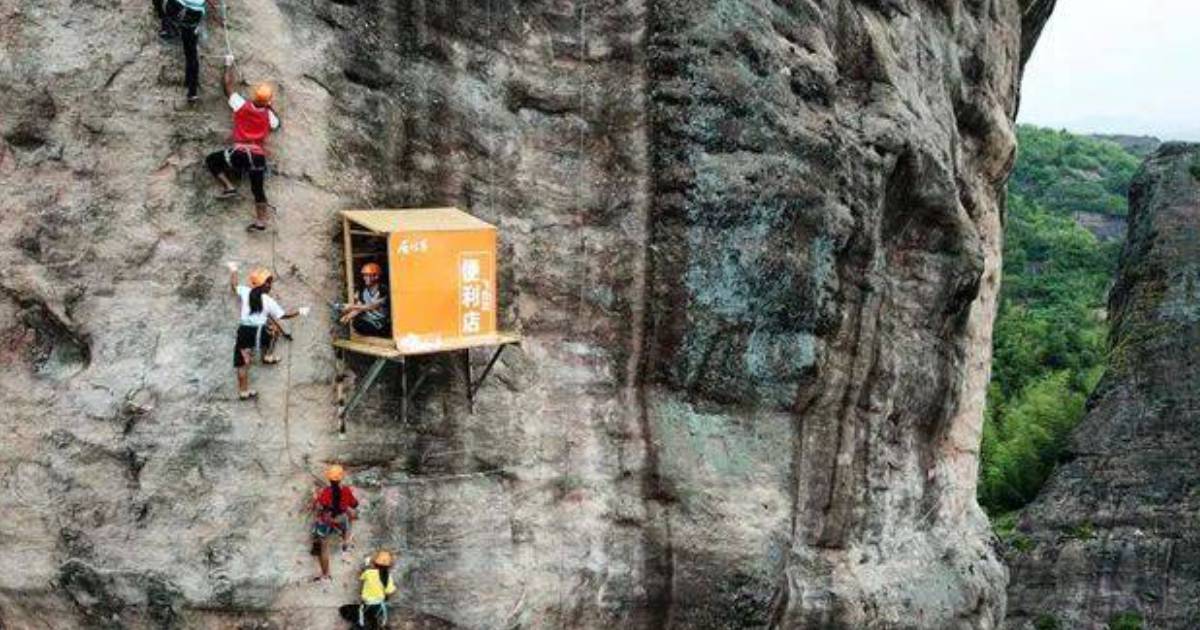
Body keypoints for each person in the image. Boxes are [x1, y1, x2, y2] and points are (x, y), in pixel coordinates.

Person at [206, 57, 281, 232]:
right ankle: (261, 221)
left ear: (254, 95)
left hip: (239, 154)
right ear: (269, 100)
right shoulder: (269, 115)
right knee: (257, 189)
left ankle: (229, 186)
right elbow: (276, 125)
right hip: (257, 157)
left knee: (211, 160)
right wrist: (269, 107)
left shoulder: (241, 105)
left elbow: (227, 86)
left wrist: (228, 65)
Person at [227, 262, 304, 400]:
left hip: (244, 331)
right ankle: (267, 356)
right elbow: (283, 316)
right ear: (264, 284)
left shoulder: (245, 292)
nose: (270, 286)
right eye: (269, 283)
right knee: (273, 329)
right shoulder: (268, 301)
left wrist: (233, 270)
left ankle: (243, 391)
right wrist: (300, 312)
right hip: (260, 333)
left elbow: (234, 286)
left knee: (242, 363)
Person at [155, 0, 221, 103]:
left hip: (178, 9)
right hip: (195, 15)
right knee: (191, 52)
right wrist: (216, 11)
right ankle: (192, 90)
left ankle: (168, 28)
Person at [311, 464, 359, 582]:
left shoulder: (326, 491)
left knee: (324, 548)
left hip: (326, 521)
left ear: (328, 478)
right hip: (341, 519)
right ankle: (346, 541)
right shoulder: (346, 490)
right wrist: (345, 504)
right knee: (349, 517)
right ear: (341, 477)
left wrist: (315, 496)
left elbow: (319, 506)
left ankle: (326, 574)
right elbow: (354, 504)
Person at [336, 262, 390, 337]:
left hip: (380, 323)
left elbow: (371, 306)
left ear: (376, 276)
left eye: (367, 275)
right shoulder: (363, 290)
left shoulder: (383, 290)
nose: (364, 278)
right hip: (369, 320)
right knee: (356, 322)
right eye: (364, 275)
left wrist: (350, 306)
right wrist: (347, 317)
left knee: (359, 324)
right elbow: (359, 307)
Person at [356, 551, 396, 629]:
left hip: (366, 603)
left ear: (374, 564)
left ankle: (362, 624)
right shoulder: (388, 576)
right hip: (379, 605)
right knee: (387, 601)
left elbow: (360, 578)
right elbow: (390, 592)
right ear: (388, 567)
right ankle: (381, 623)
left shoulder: (367, 572)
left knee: (362, 619)